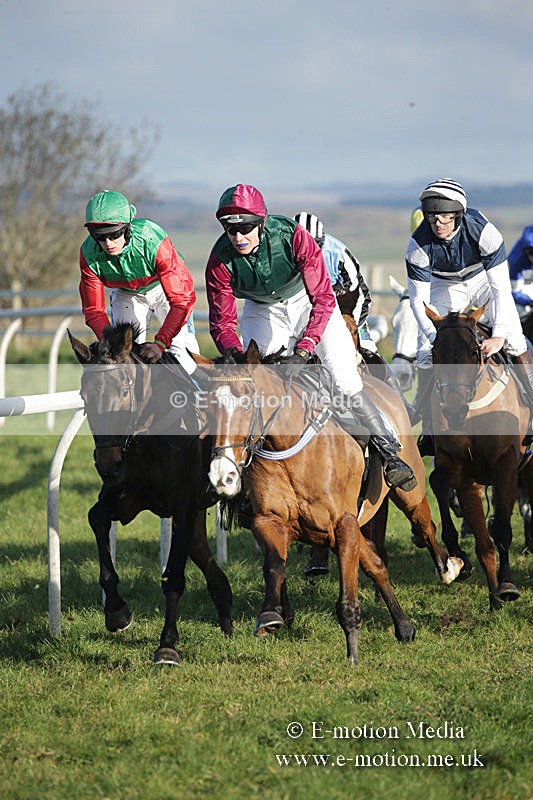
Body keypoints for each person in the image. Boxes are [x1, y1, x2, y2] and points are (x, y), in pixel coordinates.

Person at [205, 183, 416, 491]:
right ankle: (248, 475)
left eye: (246, 228)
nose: (238, 238)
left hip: (309, 302)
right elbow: (222, 322)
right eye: (230, 230)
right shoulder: (219, 260)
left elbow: (323, 299)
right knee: (254, 382)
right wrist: (236, 357)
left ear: (261, 222)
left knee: (344, 379)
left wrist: (304, 350)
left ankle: (389, 453)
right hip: (262, 310)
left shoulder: (292, 237)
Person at [406, 178, 533, 454]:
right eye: (431, 218)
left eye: (444, 218)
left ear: (458, 216)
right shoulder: (417, 245)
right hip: (444, 286)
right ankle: (428, 426)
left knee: (515, 339)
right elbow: (418, 301)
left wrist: (499, 334)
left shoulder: (485, 232)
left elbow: (501, 289)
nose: (437, 224)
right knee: (425, 351)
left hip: (483, 282)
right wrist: (434, 336)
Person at [79, 189, 199, 370]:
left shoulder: (151, 239)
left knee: (183, 355)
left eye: (114, 234)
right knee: (123, 356)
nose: (108, 243)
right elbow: (94, 311)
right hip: (126, 293)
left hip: (165, 290)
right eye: (100, 237)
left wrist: (160, 343)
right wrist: (111, 343)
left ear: (127, 227)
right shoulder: (88, 253)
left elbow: (181, 301)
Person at [293, 211, 377, 353]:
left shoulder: (337, 254)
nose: (307, 253)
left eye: (314, 246)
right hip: (309, 301)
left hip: (347, 300)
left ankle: (379, 366)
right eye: (301, 248)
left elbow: (353, 289)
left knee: (364, 346)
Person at [508, 225, 533, 318]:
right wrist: (529, 302)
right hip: (523, 304)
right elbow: (515, 292)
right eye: (531, 253)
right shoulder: (516, 263)